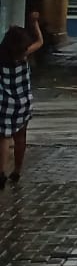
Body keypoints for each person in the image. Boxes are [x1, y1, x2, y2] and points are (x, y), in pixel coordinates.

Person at [0, 13, 45, 188]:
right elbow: (40, 41)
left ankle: (1, 172)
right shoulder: (24, 54)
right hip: (24, 102)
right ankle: (17, 171)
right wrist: (34, 23)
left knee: (3, 138)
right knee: (20, 137)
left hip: (4, 103)